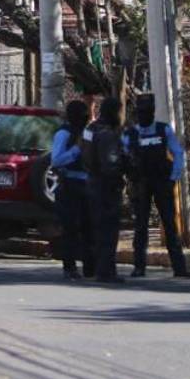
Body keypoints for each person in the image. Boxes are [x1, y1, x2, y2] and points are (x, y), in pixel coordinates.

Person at [123, 94, 190, 279]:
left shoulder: (163, 130)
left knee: (170, 224)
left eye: (147, 112)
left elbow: (178, 153)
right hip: (141, 184)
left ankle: (179, 268)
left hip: (162, 182)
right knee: (140, 227)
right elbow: (122, 157)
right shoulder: (130, 134)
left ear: (153, 112)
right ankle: (139, 267)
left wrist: (173, 177)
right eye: (141, 112)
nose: (144, 115)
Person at [80, 97, 127, 284]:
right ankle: (106, 271)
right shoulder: (108, 134)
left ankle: (93, 268)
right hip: (106, 185)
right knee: (108, 230)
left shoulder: (90, 129)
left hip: (91, 181)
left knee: (96, 229)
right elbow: (111, 163)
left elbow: (82, 152)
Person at [50, 100, 95, 280]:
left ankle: (90, 268)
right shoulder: (63, 134)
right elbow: (56, 160)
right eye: (82, 114)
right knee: (70, 228)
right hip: (69, 183)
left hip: (88, 184)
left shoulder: (88, 132)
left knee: (89, 227)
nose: (85, 118)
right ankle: (70, 268)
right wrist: (76, 150)